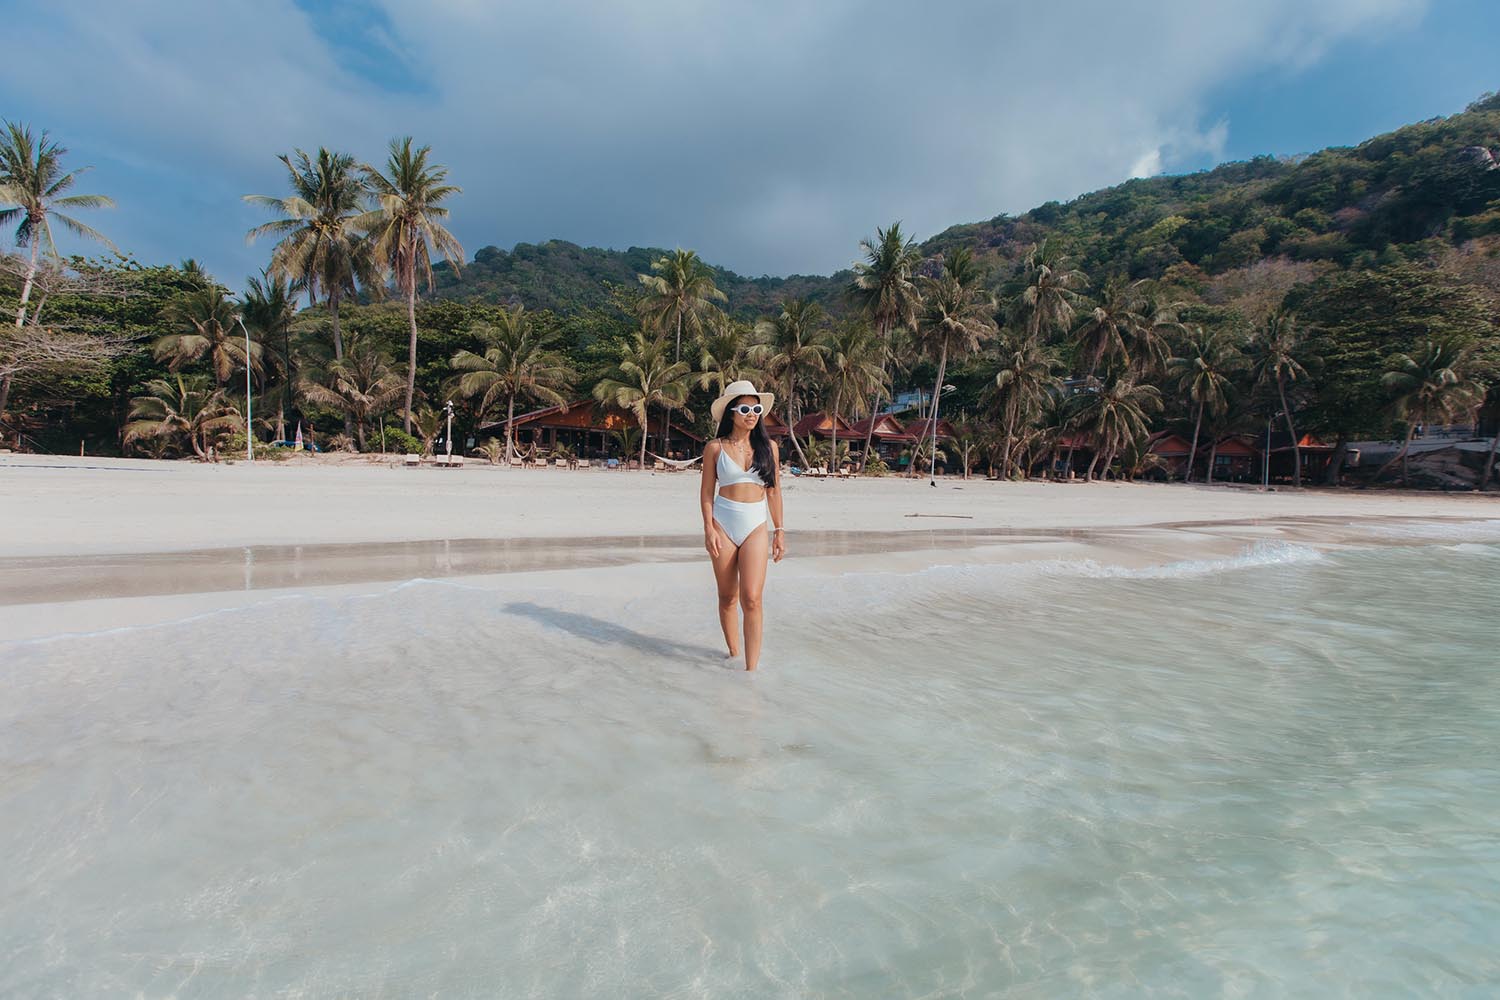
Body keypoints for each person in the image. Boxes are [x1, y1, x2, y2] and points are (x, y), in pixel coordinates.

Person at [700, 380, 786, 670]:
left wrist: (780, 531)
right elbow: (706, 494)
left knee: (752, 598)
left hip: (756, 526)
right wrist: (709, 529)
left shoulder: (769, 448)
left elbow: (774, 492)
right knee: (727, 596)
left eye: (757, 409)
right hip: (723, 524)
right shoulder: (714, 448)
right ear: (731, 413)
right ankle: (734, 654)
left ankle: (751, 672)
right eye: (746, 408)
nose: (752, 414)